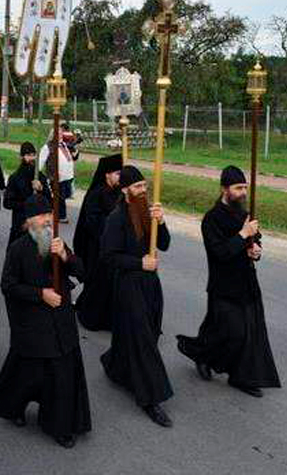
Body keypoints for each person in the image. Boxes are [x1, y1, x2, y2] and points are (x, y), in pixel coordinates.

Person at [0, 195, 91, 448]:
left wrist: (65, 255)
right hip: (33, 325)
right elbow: (8, 286)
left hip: (60, 324)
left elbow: (82, 272)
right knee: (25, 375)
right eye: (41, 215)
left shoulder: (57, 244)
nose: (47, 220)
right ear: (28, 220)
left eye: (49, 215)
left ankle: (60, 426)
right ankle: (14, 408)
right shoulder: (18, 249)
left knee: (61, 377)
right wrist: (40, 294)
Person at [176, 166, 281, 397]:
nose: (243, 192)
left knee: (250, 333)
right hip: (223, 285)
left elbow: (256, 243)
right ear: (225, 189)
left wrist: (255, 250)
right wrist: (243, 235)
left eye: (245, 187)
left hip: (247, 283)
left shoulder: (245, 214)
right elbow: (220, 253)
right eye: (238, 188)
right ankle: (202, 356)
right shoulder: (211, 219)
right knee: (229, 332)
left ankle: (241, 377)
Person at [99, 165, 174, 427]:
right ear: (126, 190)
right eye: (138, 187)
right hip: (129, 285)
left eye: (145, 186)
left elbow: (163, 244)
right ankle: (151, 398)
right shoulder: (116, 218)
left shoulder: (147, 212)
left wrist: (161, 221)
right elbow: (108, 257)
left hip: (151, 284)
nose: (143, 191)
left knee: (149, 332)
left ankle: (116, 365)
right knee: (143, 341)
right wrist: (139, 263)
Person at [73, 153, 123, 332]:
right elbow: (93, 223)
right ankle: (91, 316)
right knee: (97, 284)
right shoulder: (95, 194)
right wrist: (114, 228)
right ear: (107, 174)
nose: (120, 177)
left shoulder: (120, 193)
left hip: (114, 248)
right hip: (97, 248)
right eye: (117, 173)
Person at [2, 142, 50, 248]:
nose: (32, 158)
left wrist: (41, 189)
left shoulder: (40, 176)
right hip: (20, 225)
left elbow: (49, 201)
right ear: (21, 157)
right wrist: (28, 205)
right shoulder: (15, 178)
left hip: (38, 227)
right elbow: (7, 203)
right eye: (28, 155)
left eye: (33, 155)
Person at [38, 125, 78, 222]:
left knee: (62, 196)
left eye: (61, 133)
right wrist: (38, 173)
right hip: (55, 176)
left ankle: (53, 212)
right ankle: (61, 216)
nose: (60, 135)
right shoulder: (48, 147)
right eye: (58, 133)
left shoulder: (64, 144)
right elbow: (41, 161)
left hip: (67, 176)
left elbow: (71, 157)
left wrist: (75, 153)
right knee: (59, 198)